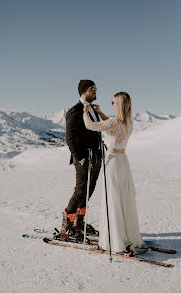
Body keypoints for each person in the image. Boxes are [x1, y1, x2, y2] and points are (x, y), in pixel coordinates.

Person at [83, 92, 145, 253]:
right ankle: (128, 236)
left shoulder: (113, 122)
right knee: (123, 198)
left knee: (113, 198)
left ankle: (114, 239)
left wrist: (86, 112)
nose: (112, 104)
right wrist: (101, 113)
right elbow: (112, 127)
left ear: (119, 104)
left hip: (112, 162)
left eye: (113, 102)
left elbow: (90, 126)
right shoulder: (129, 123)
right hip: (123, 161)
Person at [60, 79, 102, 240]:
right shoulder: (75, 111)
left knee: (88, 191)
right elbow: (70, 137)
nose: (96, 91)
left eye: (96, 88)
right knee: (80, 191)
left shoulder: (93, 110)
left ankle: (79, 222)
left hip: (96, 156)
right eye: (93, 88)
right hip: (84, 158)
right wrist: (81, 158)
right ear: (84, 91)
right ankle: (67, 225)